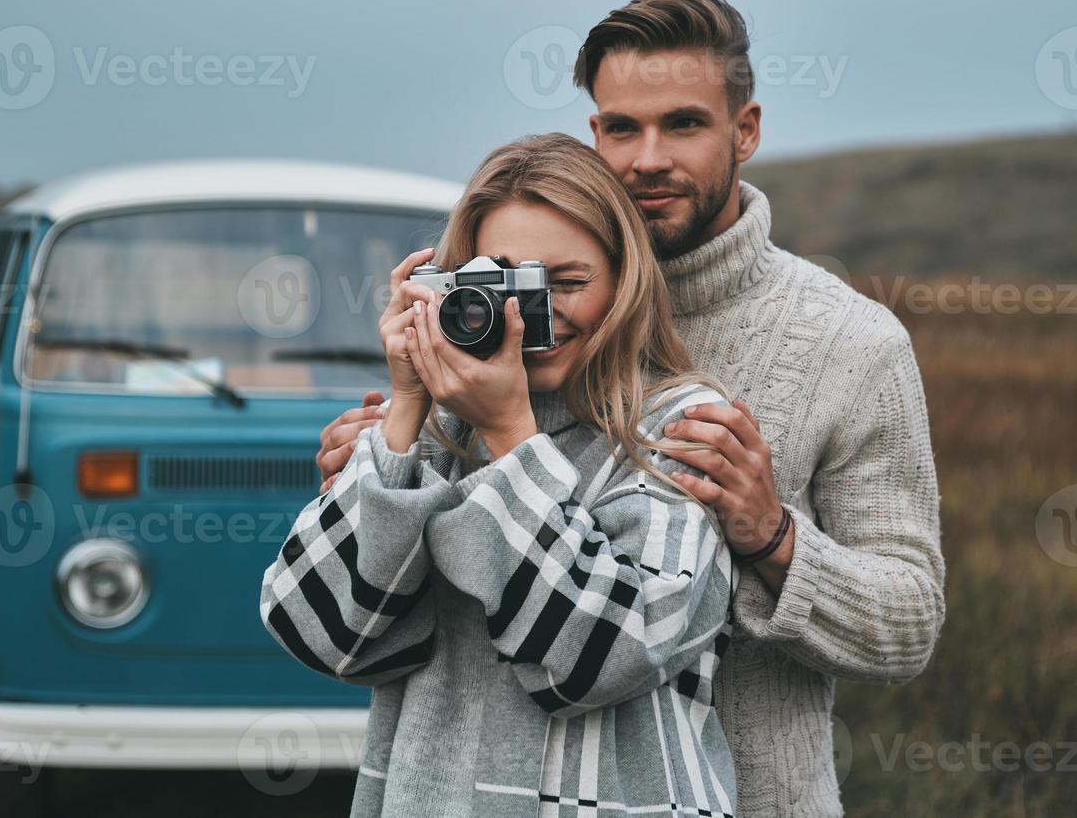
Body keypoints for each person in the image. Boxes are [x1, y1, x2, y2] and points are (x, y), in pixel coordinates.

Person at [316, 0, 947, 817]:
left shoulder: (852, 343)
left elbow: (908, 624)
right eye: (621, 127)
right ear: (594, 135)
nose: (648, 157)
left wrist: (772, 537)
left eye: (683, 124)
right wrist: (382, 470)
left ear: (745, 131)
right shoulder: (512, 331)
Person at [262, 133, 740, 818]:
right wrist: (404, 412)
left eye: (567, 283)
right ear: (451, 288)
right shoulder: (433, 430)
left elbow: (604, 655)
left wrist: (511, 435)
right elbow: (325, 635)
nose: (529, 314)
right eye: (504, 284)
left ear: (624, 279)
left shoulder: (677, 429)